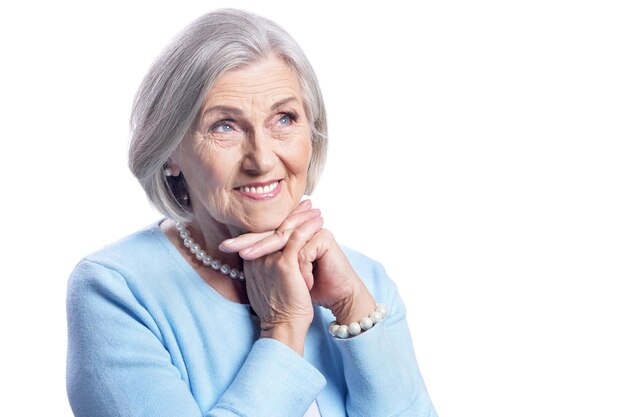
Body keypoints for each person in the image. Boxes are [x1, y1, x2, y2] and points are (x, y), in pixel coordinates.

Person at [66, 8, 437, 417]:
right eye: (225, 126)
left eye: (284, 118)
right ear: (170, 150)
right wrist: (282, 329)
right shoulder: (116, 290)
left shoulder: (364, 281)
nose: (261, 159)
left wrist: (353, 308)